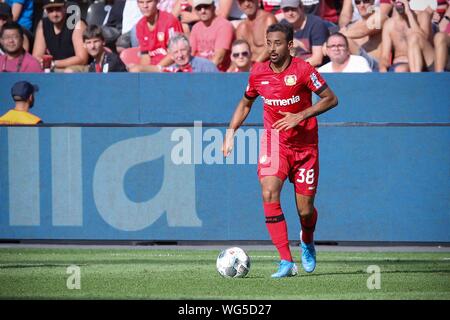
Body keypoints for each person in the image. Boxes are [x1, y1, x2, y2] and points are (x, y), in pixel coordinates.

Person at [222, 22, 338, 278]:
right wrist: (230, 133)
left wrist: (301, 116)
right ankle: (286, 260)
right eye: (268, 42)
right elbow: (245, 104)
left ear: (289, 45)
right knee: (268, 192)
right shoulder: (258, 73)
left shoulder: (304, 70)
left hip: (306, 146)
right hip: (276, 143)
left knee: (305, 210)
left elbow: (331, 98)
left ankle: (307, 240)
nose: (272, 48)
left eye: (277, 43)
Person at [32, 0, 89, 72]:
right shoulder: (43, 24)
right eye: (50, 10)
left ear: (65, 7)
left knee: (69, 71)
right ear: (46, 11)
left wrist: (53, 63)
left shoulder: (77, 24)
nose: (55, 14)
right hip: (53, 68)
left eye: (58, 9)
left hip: (75, 69)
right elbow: (36, 56)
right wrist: (45, 63)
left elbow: (82, 59)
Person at [379, 0, 435, 72]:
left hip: (422, 63)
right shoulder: (389, 24)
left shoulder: (423, 16)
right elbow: (384, 57)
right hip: (398, 65)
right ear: (391, 2)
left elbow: (424, 41)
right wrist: (382, 68)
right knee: (398, 69)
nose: (398, 1)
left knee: (401, 69)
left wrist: (409, 14)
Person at [129, 32, 219, 72]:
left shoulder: (206, 66)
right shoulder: (170, 71)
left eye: (183, 50)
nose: (180, 55)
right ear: (170, 55)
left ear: (190, 50)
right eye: (176, 52)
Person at [280, 0, 330, 67]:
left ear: (301, 8)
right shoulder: (282, 25)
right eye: (286, 10)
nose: (290, 13)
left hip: (315, 69)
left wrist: (293, 68)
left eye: (293, 9)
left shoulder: (316, 24)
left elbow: (317, 60)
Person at [134, 0, 184, 67]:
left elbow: (177, 53)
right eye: (141, 2)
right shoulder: (140, 25)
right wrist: (145, 71)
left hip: (172, 66)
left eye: (149, 2)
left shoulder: (170, 21)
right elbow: (145, 56)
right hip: (153, 69)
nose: (145, 6)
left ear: (157, 2)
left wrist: (156, 69)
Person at [189, 0, 235, 71]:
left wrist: (203, 73)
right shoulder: (195, 27)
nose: (202, 11)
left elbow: (219, 58)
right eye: (199, 8)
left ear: (214, 7)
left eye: (206, 6)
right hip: (199, 72)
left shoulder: (224, 25)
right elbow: (190, 54)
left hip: (218, 74)